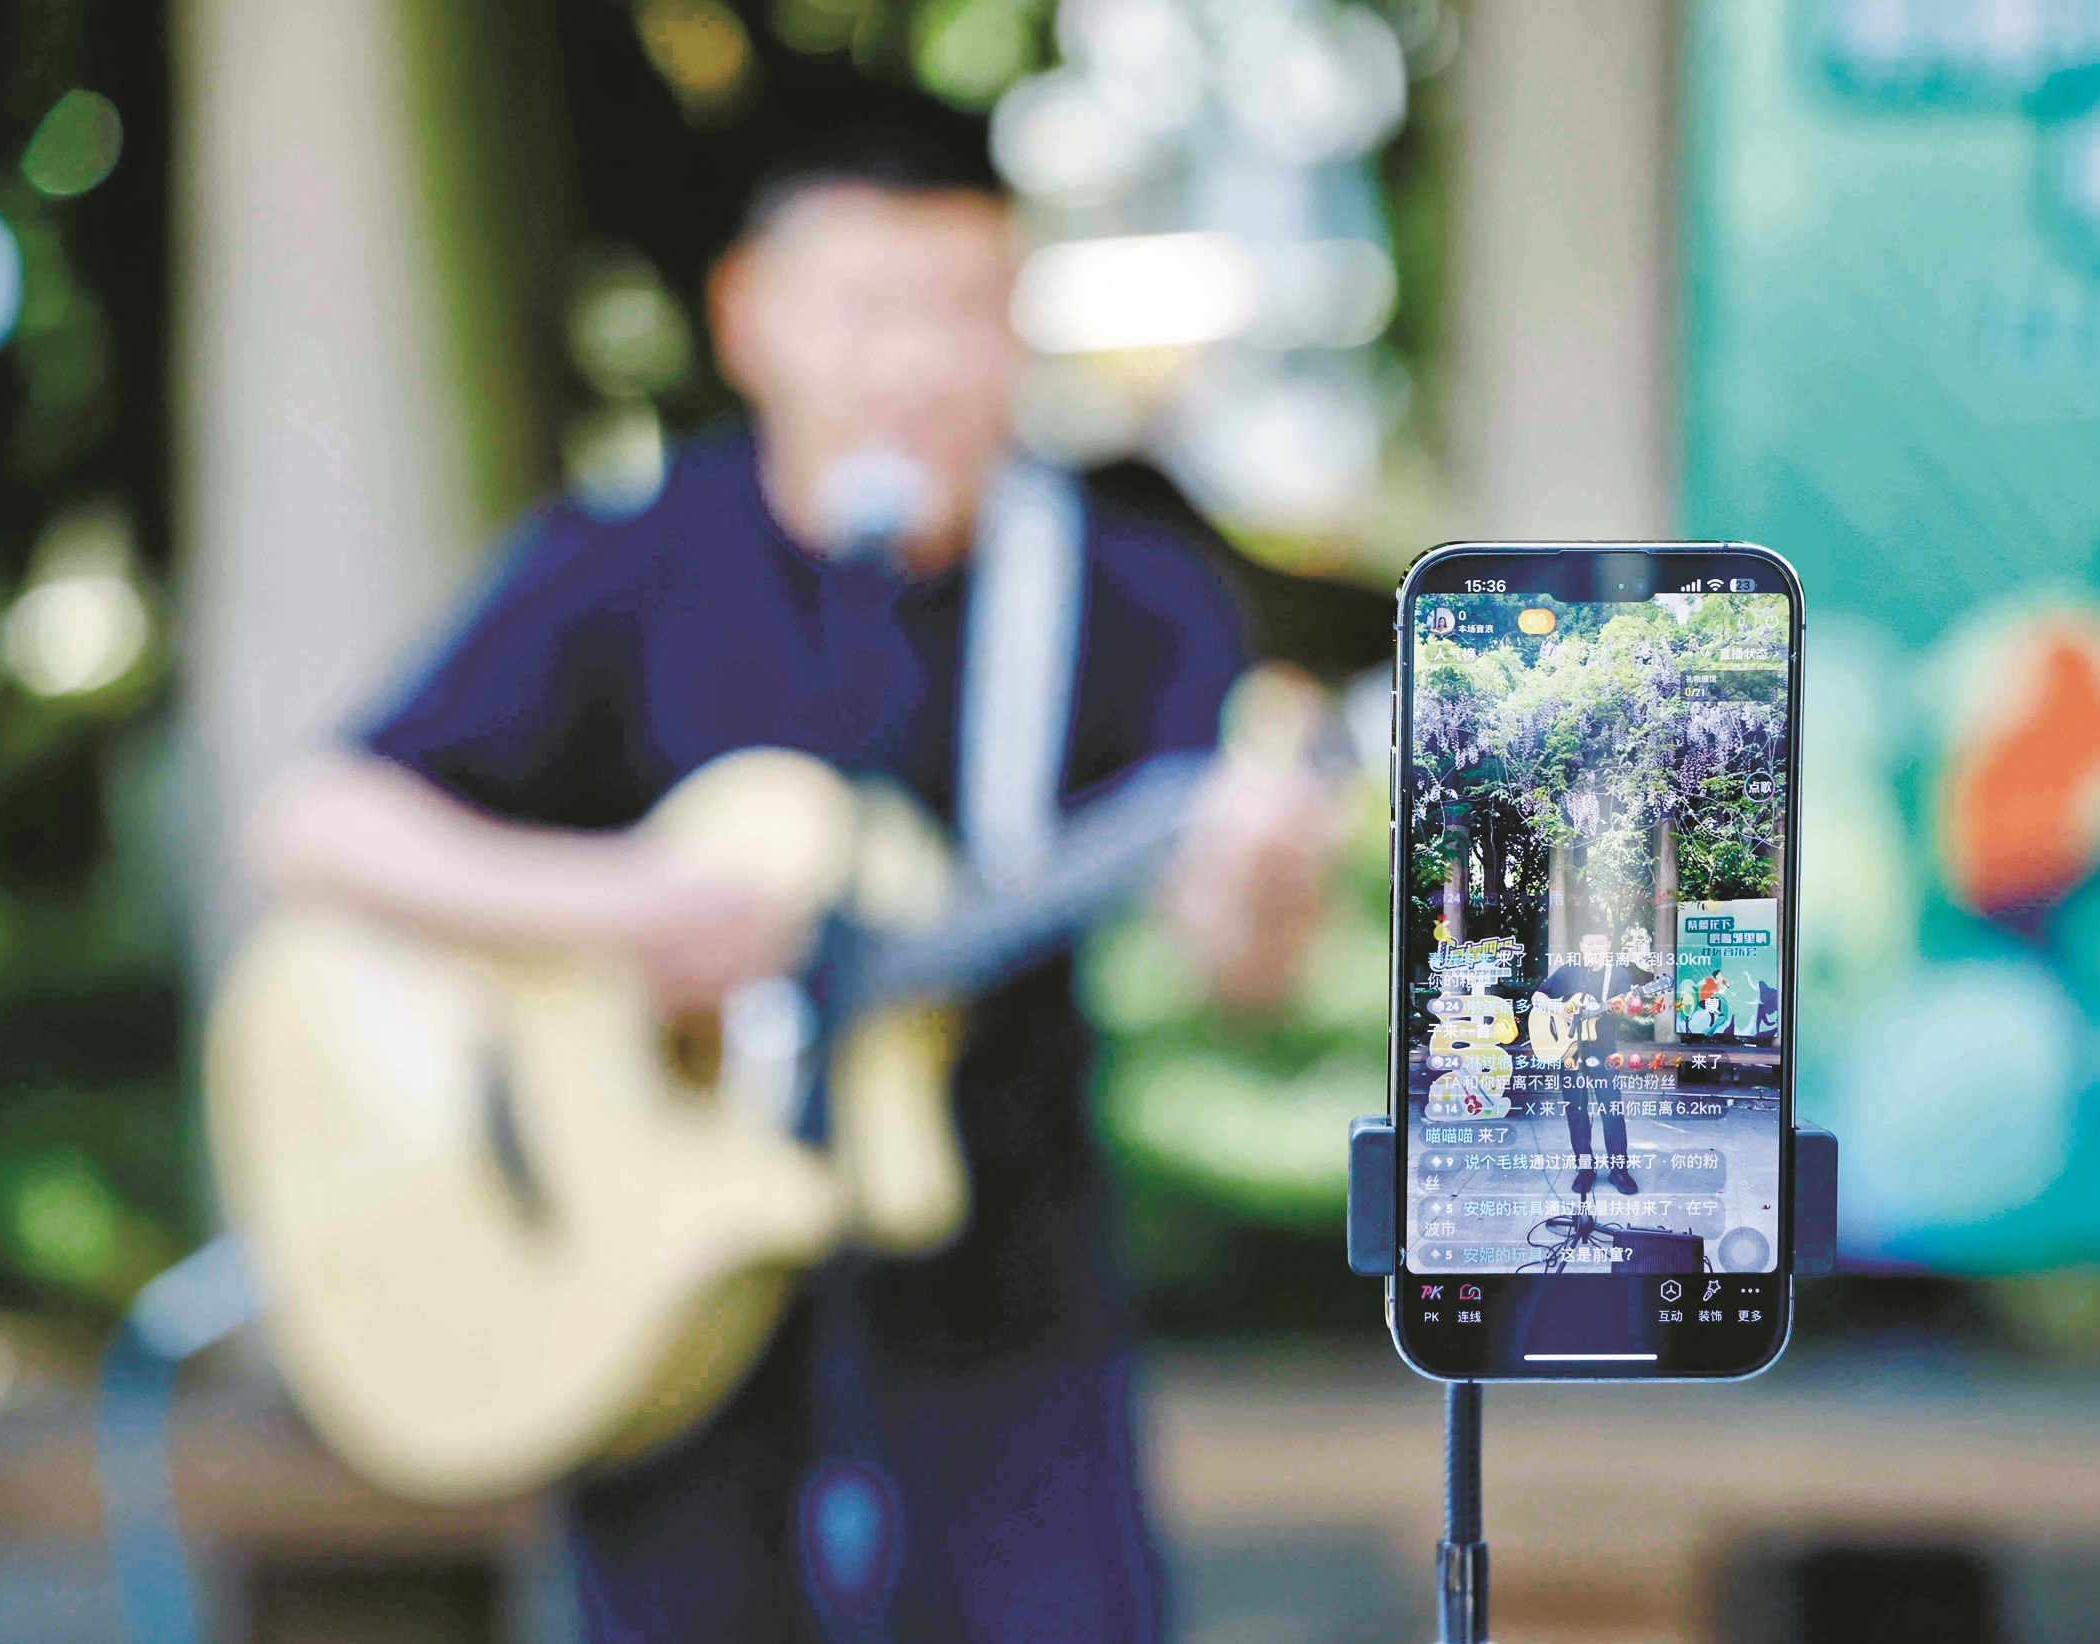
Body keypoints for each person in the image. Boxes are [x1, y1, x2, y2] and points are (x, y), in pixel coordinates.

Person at [247, 125, 1329, 1642]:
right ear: (750, 317)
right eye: (868, 308)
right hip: (665, 1316)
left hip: (1004, 1300)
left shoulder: (1129, 588)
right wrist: (624, 912)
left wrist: (1260, 874)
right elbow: (317, 825)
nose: (919, 362)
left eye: (964, 309)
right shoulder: (635, 559)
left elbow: (1241, 975)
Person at [1530, 929, 1653, 1198]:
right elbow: (1537, 998)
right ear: (1581, 945)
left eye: (1600, 942)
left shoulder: (1618, 975)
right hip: (1571, 1052)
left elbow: (1628, 1010)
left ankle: (1619, 1170)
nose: (1595, 947)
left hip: (1605, 1051)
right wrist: (1560, 1010)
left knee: (1612, 1109)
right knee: (1576, 1111)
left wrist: (1630, 1004)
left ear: (1608, 945)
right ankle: (1585, 1169)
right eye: (1590, 943)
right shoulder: (1569, 971)